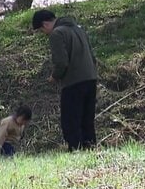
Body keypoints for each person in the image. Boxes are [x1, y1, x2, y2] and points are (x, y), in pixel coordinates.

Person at [32, 9, 98, 151]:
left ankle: (76, 150)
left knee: (71, 120)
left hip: (73, 82)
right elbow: (93, 57)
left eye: (41, 30)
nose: (44, 33)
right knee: (87, 119)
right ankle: (90, 147)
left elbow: (61, 62)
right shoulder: (79, 29)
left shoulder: (57, 34)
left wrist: (54, 76)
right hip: (91, 78)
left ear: (45, 24)